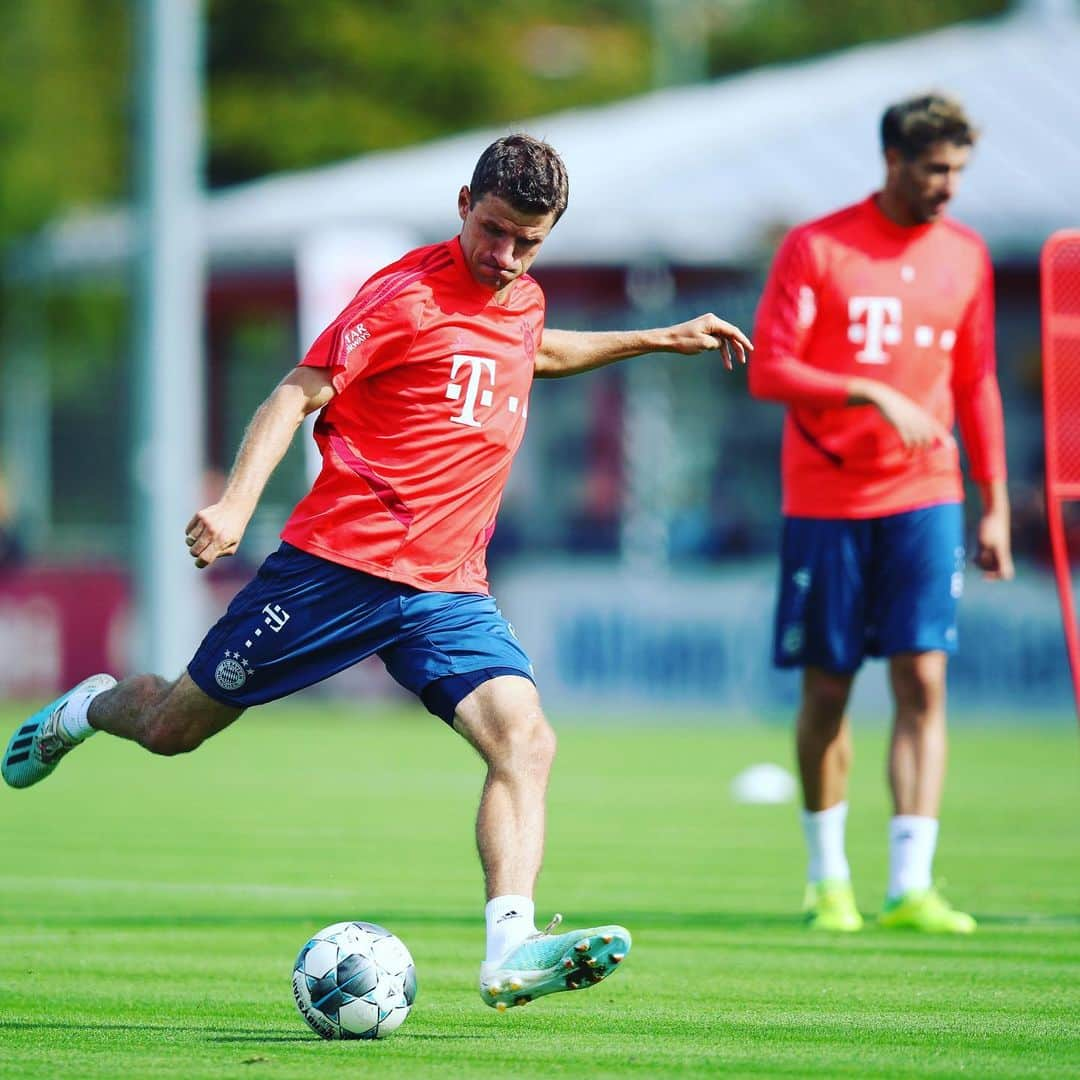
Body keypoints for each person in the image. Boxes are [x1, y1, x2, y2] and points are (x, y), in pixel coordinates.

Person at [2, 134, 751, 1008]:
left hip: (446, 586)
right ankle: (89, 706)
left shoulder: (521, 295)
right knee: (173, 728)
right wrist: (239, 506)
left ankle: (510, 947)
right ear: (464, 201)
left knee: (526, 740)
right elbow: (297, 391)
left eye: (529, 242)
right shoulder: (404, 296)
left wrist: (659, 337)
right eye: (496, 231)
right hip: (334, 570)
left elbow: (534, 349)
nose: (507, 256)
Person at [748, 94, 1012, 934]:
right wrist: (868, 390)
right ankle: (829, 882)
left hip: (927, 494)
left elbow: (977, 384)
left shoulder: (966, 255)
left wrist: (996, 502)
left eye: (959, 171)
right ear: (894, 160)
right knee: (829, 686)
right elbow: (769, 371)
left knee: (924, 677)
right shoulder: (818, 246)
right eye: (936, 169)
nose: (949, 187)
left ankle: (912, 886)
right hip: (826, 500)